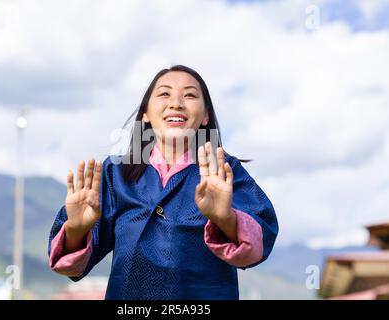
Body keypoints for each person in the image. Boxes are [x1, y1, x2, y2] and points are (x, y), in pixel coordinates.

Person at [48, 65, 278, 300]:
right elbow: (69, 266)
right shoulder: (115, 174)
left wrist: (226, 219)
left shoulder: (224, 172)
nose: (176, 103)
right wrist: (76, 229)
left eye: (189, 95)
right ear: (146, 113)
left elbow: (261, 239)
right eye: (164, 93)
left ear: (205, 115)